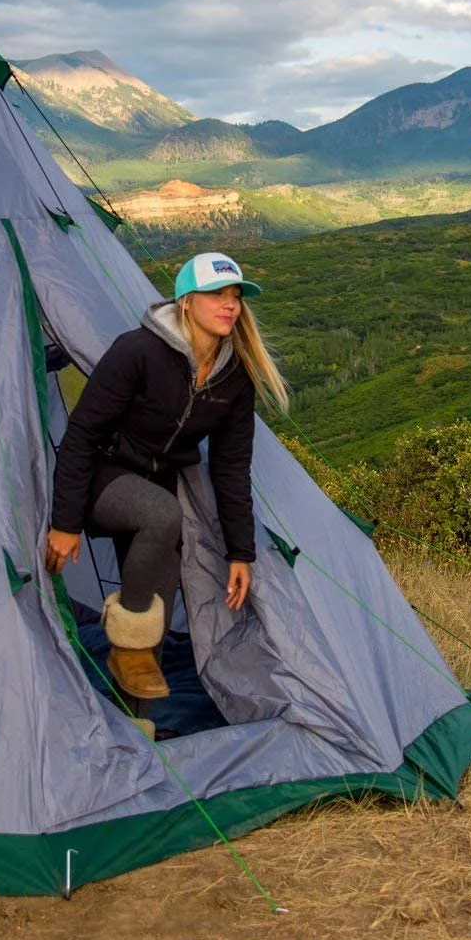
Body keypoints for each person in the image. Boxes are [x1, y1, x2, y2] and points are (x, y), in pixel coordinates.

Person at [46, 251, 289, 702]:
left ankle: (139, 720)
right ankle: (131, 655)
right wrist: (65, 522)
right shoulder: (138, 351)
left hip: (157, 483)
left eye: (235, 296)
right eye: (216, 294)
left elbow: (232, 467)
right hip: (104, 474)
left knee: (160, 597)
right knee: (163, 514)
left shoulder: (234, 376)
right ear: (185, 302)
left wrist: (241, 552)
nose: (230, 305)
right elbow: (80, 435)